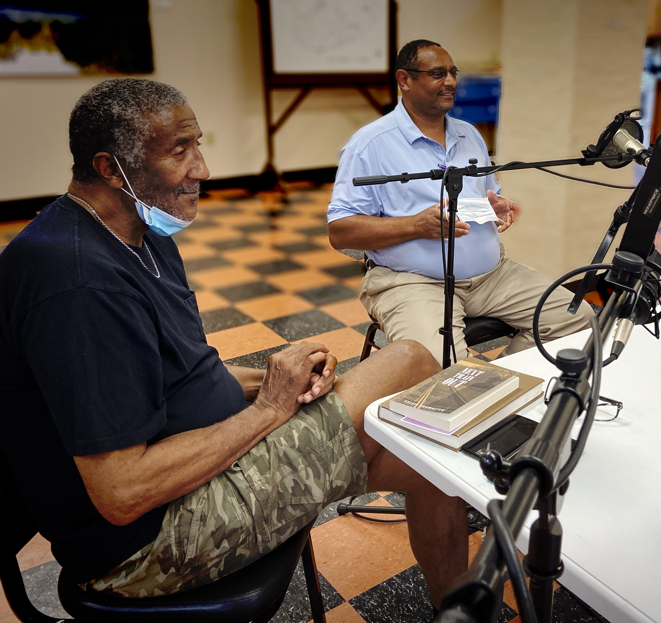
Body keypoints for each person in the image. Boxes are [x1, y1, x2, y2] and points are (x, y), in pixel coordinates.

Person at [0, 78, 467, 608]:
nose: (202, 169)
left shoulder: (141, 235)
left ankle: (457, 615)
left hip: (198, 470)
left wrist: (277, 381)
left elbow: (182, 372)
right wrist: (270, 406)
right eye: (180, 151)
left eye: (198, 144)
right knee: (407, 360)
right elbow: (123, 493)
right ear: (111, 169)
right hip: (147, 545)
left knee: (435, 467)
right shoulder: (76, 283)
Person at [328, 39, 593, 365]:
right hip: (411, 281)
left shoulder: (469, 135)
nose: (451, 81)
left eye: (453, 73)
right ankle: (477, 387)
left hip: (491, 277)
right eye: (438, 73)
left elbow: (476, 200)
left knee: (577, 319)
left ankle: (501, 385)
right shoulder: (369, 145)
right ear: (404, 80)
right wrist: (415, 225)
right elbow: (340, 232)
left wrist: (494, 208)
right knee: (440, 366)